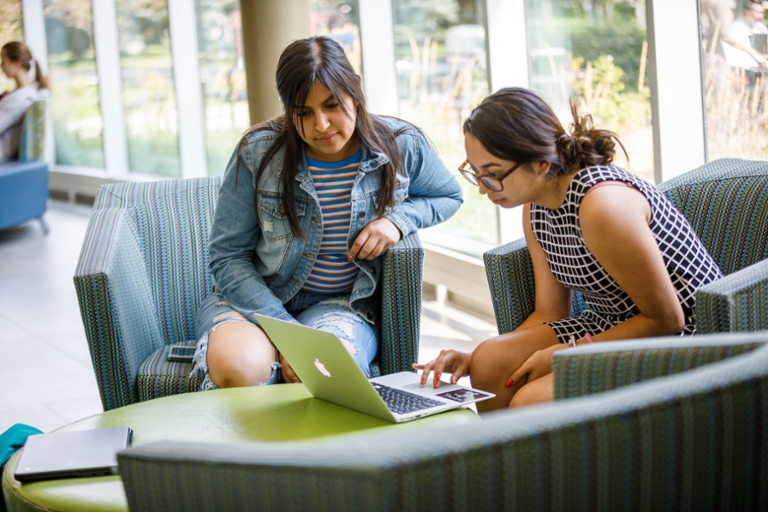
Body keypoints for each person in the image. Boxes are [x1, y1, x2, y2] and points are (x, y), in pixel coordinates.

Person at [415, 88, 723, 411]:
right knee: (489, 362)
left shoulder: (602, 206)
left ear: (540, 162)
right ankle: (511, 461)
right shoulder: (535, 208)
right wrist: (475, 358)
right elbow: (550, 312)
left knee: (529, 402)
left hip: (682, 339)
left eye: (492, 175)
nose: (482, 188)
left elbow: (667, 319)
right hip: (610, 323)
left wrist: (571, 350)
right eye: (475, 173)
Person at [191, 36, 463, 390]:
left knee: (331, 372)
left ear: (355, 92)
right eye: (303, 112)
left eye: (332, 105)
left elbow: (448, 195)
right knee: (240, 370)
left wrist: (398, 221)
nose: (321, 124)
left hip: (342, 306)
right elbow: (227, 256)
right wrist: (286, 332)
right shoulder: (257, 152)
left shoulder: (402, 143)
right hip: (254, 302)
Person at [0, 41, 49, 163]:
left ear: (15, 63)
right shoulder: (28, 91)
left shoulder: (20, 99)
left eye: (3, 61)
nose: (1, 66)